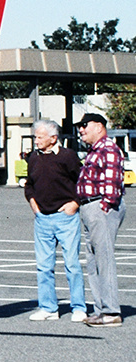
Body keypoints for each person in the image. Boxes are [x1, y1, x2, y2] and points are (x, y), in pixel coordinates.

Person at [23, 119, 85, 322]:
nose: (36, 140)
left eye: (40, 137)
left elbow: (82, 182)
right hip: (42, 219)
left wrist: (74, 203)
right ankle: (48, 307)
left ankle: (78, 307)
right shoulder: (33, 158)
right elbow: (29, 184)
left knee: (72, 264)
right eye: (35, 137)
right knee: (43, 266)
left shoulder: (68, 157)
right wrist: (33, 204)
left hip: (66, 217)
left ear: (53, 138)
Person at [76, 113, 127, 328]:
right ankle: (100, 309)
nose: (81, 130)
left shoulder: (108, 148)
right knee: (93, 261)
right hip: (90, 207)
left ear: (99, 126)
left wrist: (105, 206)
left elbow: (113, 180)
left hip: (101, 207)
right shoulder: (94, 151)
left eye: (84, 126)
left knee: (103, 260)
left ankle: (111, 311)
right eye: (79, 127)